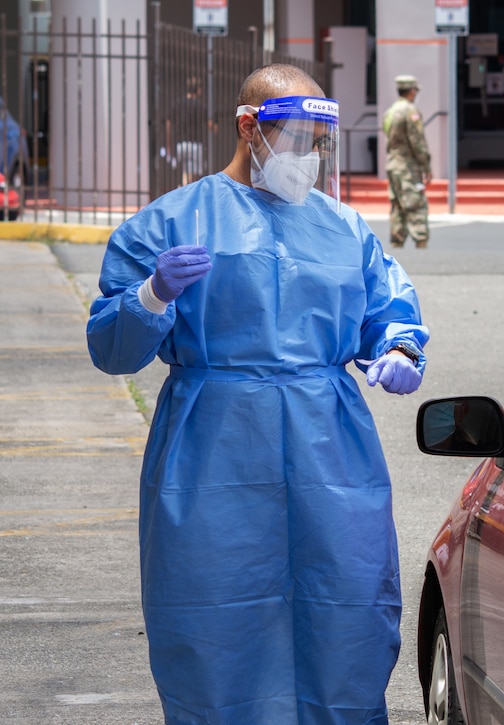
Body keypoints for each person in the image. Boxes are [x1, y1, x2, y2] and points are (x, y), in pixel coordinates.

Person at [86, 63, 428, 725]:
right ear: (250, 127)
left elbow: (388, 308)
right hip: (213, 452)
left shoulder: (343, 228)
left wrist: (400, 349)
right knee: (213, 615)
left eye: (320, 144)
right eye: (299, 138)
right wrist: (151, 294)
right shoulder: (172, 222)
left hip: (332, 453)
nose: (311, 158)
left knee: (348, 604)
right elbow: (111, 347)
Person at [382, 74, 432, 248]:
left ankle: (397, 242)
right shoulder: (410, 111)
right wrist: (426, 165)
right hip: (407, 166)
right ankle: (421, 242)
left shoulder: (390, 111)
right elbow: (417, 141)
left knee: (397, 205)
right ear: (411, 91)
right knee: (415, 204)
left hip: (393, 164)